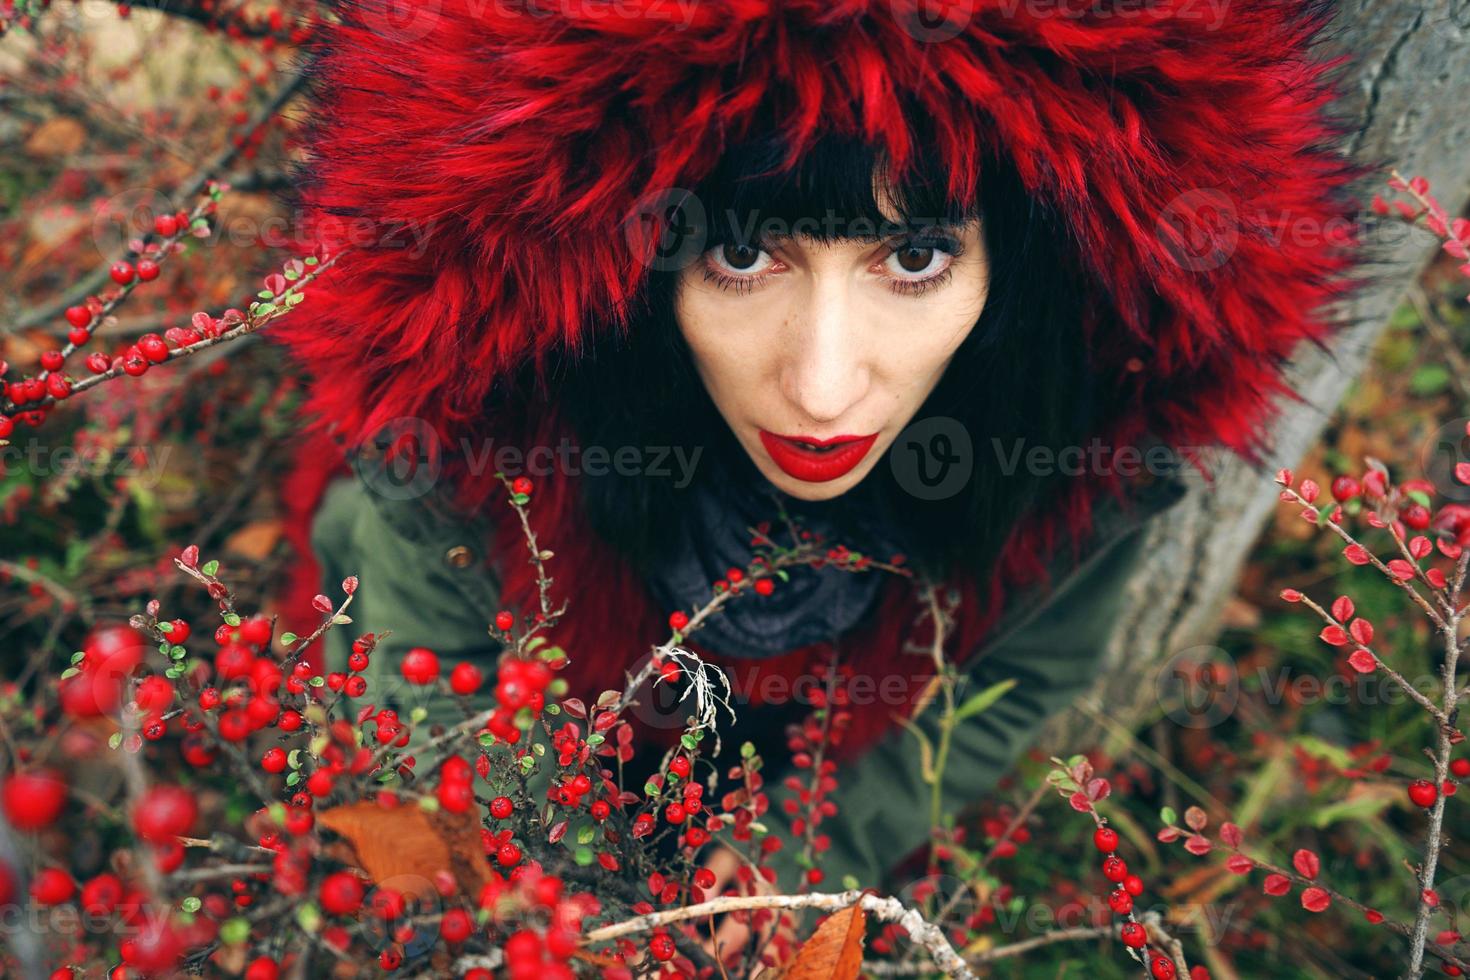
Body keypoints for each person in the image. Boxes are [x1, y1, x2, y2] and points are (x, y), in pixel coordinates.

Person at [273, 0, 1370, 900]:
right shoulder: (497, 440)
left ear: (1017, 269)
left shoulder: (1066, 458)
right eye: (745, 252)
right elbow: (432, 674)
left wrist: (807, 851)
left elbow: (1017, 678)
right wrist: (559, 883)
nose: (823, 384)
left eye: (917, 256)